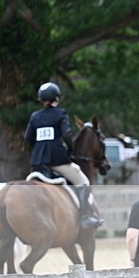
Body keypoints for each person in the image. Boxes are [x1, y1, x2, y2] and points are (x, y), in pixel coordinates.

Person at [24, 82, 103, 228]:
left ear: (41, 100)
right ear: (57, 98)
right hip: (57, 161)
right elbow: (66, 135)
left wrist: (39, 150)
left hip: (38, 162)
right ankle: (84, 217)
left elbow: (28, 137)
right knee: (83, 182)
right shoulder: (60, 114)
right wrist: (70, 150)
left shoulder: (35, 116)